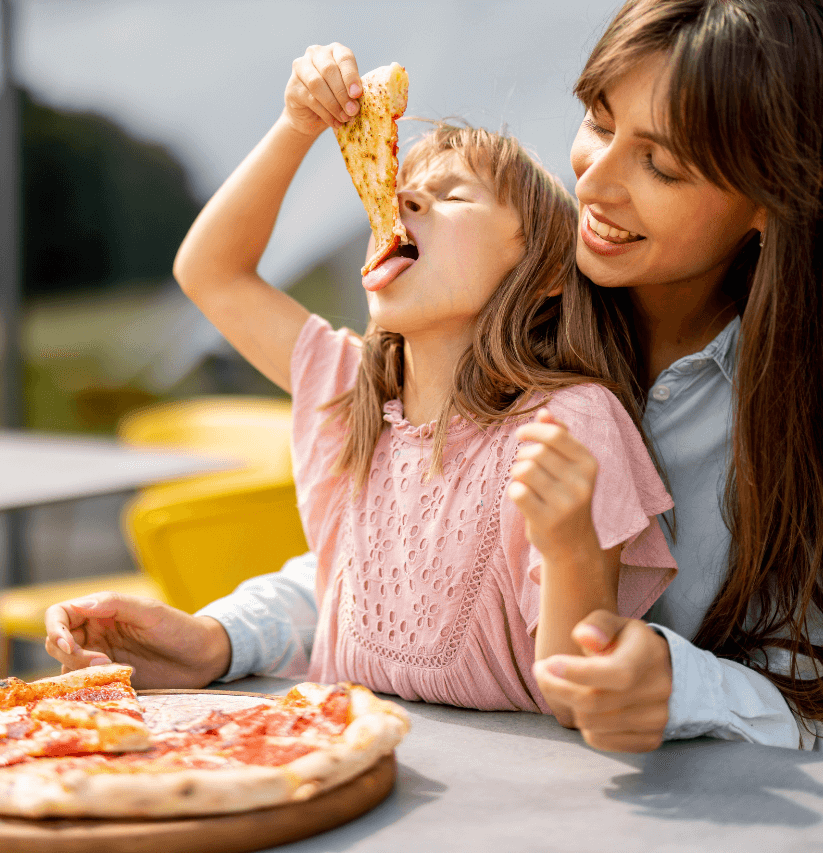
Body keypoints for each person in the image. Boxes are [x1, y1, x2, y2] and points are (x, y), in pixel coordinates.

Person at [50, 0, 823, 752]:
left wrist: (676, 688)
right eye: (600, 122)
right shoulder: (491, 331)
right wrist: (220, 637)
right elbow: (408, 572)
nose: (596, 185)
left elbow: (814, 719)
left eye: (662, 163)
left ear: (772, 200)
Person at [48, 44, 680, 719]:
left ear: (546, 271)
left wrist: (573, 549)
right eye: (398, 188)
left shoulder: (569, 424)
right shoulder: (354, 394)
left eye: (449, 195)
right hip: (336, 762)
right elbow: (211, 271)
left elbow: (577, 696)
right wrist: (299, 125)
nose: (399, 196)